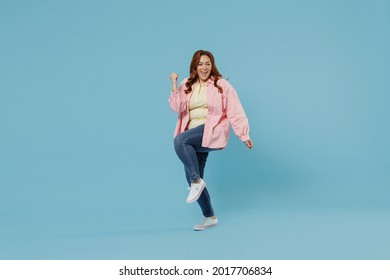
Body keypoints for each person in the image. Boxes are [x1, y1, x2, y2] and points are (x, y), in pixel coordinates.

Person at [169, 50, 253, 231]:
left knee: (179, 141)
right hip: (193, 136)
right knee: (193, 180)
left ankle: (196, 182)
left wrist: (243, 135)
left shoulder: (220, 85)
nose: (204, 67)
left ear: (212, 65)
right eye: (200, 64)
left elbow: (234, 110)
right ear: (194, 66)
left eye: (207, 63)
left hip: (211, 131)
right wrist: (174, 83)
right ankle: (210, 217)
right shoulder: (187, 84)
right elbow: (177, 107)